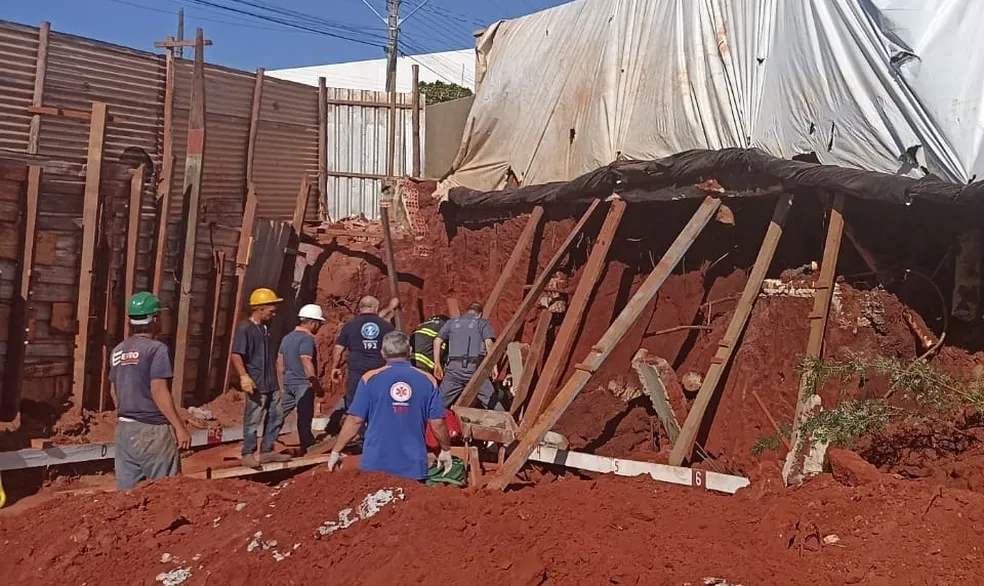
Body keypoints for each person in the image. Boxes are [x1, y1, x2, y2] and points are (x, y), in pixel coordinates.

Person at [327, 331, 453, 480]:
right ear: (410, 351)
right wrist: (445, 449)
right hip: (413, 467)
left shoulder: (370, 379)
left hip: (375, 465)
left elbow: (355, 420)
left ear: (382, 353)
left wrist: (336, 451)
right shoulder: (427, 380)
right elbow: (437, 423)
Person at [110, 292, 191, 490]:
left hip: (124, 430)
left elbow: (114, 390)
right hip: (152, 430)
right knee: (166, 491)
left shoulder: (119, 349)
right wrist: (179, 428)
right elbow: (158, 390)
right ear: (155, 319)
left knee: (127, 495)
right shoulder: (156, 349)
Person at [231, 287, 290, 468]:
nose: (274, 313)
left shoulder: (264, 328)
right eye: (271, 310)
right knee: (253, 419)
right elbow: (236, 354)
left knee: (277, 415)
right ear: (260, 308)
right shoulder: (245, 328)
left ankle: (267, 451)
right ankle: (248, 452)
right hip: (256, 383)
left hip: (270, 382)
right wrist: (244, 376)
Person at [329, 295, 400, 410]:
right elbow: (395, 350)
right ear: (376, 308)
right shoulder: (387, 327)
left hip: (357, 372)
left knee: (355, 405)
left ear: (360, 308)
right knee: (379, 403)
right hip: (379, 371)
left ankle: (358, 426)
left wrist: (334, 367)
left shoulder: (349, 326)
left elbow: (338, 349)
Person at [433, 302, 504, 410]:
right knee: (492, 403)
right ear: (480, 314)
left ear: (467, 311)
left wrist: (437, 363)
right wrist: (493, 366)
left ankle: (424, 424)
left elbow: (437, 341)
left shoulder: (452, 323)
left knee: (436, 405)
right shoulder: (482, 323)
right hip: (474, 371)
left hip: (454, 371)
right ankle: (503, 423)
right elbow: (489, 344)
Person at [277, 303, 324, 456]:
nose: (319, 327)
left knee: (279, 413)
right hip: (303, 384)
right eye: (319, 324)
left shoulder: (287, 337)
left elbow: (279, 364)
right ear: (312, 322)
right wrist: (315, 383)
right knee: (304, 416)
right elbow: (306, 361)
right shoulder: (306, 339)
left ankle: (267, 439)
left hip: (288, 383)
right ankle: (308, 444)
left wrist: (281, 385)